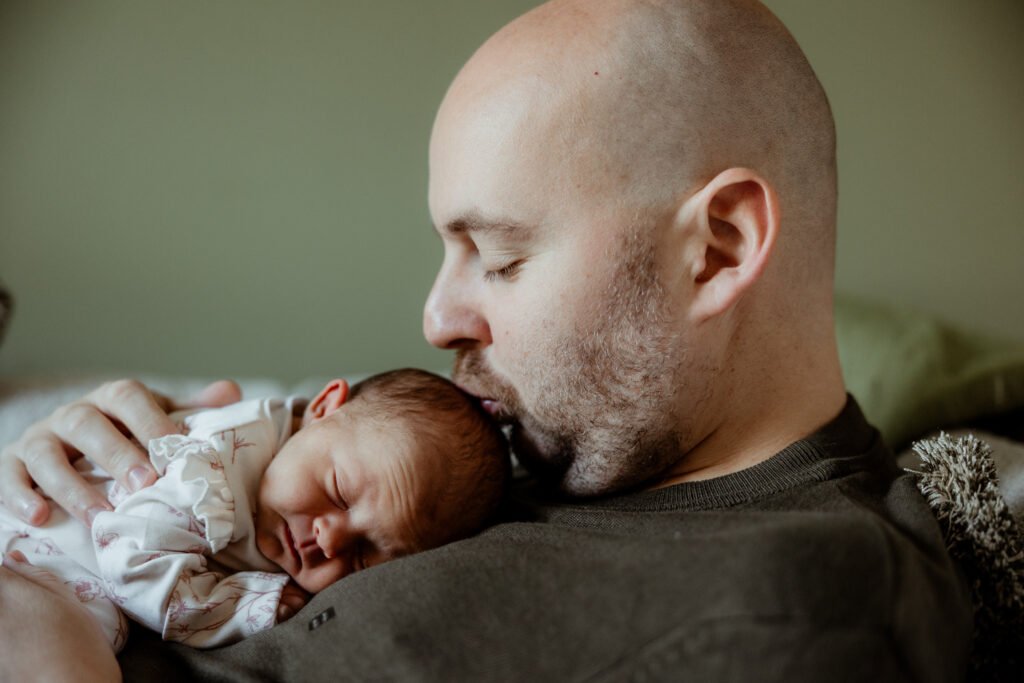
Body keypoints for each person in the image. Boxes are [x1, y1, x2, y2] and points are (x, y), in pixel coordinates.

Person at [0, 0, 973, 680]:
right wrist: (109, 478)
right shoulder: (534, 449)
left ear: (716, 248)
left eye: (500, 257)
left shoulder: (791, 612)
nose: (435, 320)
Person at [1, 369, 506, 650]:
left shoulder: (280, 487)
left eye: (363, 557)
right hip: (29, 555)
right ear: (323, 407)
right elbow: (131, 559)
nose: (330, 540)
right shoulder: (217, 465)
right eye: (340, 492)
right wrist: (246, 603)